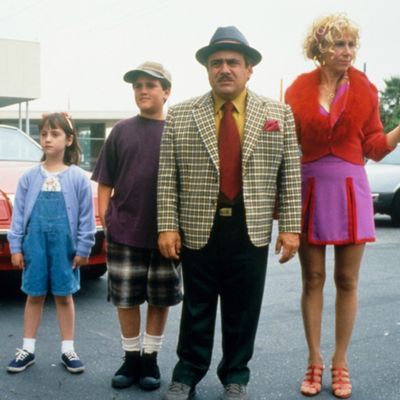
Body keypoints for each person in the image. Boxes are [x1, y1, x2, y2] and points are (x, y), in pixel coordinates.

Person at [158, 26, 302, 400]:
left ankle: (236, 375)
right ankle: (186, 374)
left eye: (233, 62)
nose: (224, 69)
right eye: (216, 62)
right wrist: (167, 226)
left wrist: (291, 227)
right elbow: (166, 177)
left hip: (249, 225)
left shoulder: (278, 114)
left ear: (249, 68)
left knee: (244, 308)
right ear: (207, 69)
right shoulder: (181, 114)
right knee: (197, 306)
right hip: (197, 226)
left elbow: (290, 175)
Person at [285, 14, 400, 399]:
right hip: (309, 187)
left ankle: (341, 361)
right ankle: (314, 360)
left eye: (351, 45)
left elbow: (374, 145)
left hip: (351, 187)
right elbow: (289, 145)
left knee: (347, 281)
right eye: (339, 44)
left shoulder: (366, 89)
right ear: (320, 47)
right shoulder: (298, 89)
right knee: (312, 279)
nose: (347, 52)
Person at [91, 61, 182, 391]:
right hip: (124, 230)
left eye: (151, 85)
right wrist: (107, 220)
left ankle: (150, 358)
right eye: (137, 85)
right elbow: (104, 181)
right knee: (126, 299)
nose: (142, 90)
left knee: (159, 299)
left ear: (166, 92)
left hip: (165, 233)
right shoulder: (121, 130)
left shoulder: (177, 131)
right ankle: (131, 357)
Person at [7, 112, 95, 374]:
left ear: (68, 140)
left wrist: (83, 248)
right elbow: (19, 215)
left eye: (54, 134)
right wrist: (16, 247)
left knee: (63, 296)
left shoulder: (78, 178)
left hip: (64, 248)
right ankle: (27, 349)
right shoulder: (29, 177)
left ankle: (68, 349)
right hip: (34, 245)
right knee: (34, 295)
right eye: (44, 133)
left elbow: (86, 218)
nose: (47, 139)